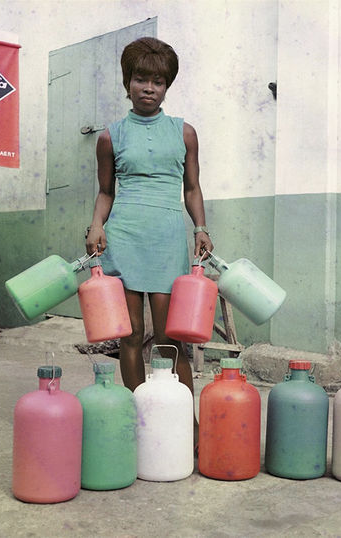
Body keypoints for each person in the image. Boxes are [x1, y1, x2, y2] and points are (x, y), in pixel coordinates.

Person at [85, 37, 213, 407]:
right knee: (130, 333)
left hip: (168, 239)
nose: (149, 88)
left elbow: (192, 188)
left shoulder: (184, 132)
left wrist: (200, 228)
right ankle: (136, 418)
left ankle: (184, 423)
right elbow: (106, 192)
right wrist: (97, 225)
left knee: (170, 337)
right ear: (128, 82)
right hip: (124, 238)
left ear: (167, 87)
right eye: (141, 79)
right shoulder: (110, 136)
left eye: (158, 82)